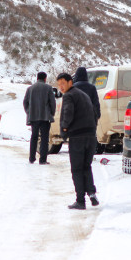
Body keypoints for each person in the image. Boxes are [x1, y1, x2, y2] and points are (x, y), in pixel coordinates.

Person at [57, 73, 99, 210]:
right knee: (86, 166)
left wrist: (64, 129)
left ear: (70, 82)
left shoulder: (69, 95)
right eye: (58, 85)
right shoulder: (84, 95)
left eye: (63, 83)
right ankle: (91, 193)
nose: (61, 87)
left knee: (76, 169)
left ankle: (80, 201)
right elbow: (95, 113)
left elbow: (68, 113)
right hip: (91, 136)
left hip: (78, 138)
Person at [23, 71, 56, 165]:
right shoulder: (48, 88)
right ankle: (42, 160)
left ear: (37, 78)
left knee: (34, 137)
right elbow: (52, 103)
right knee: (45, 138)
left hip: (33, 117)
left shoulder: (30, 89)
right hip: (45, 117)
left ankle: (32, 158)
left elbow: (25, 103)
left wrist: (29, 112)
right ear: (45, 78)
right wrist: (51, 113)